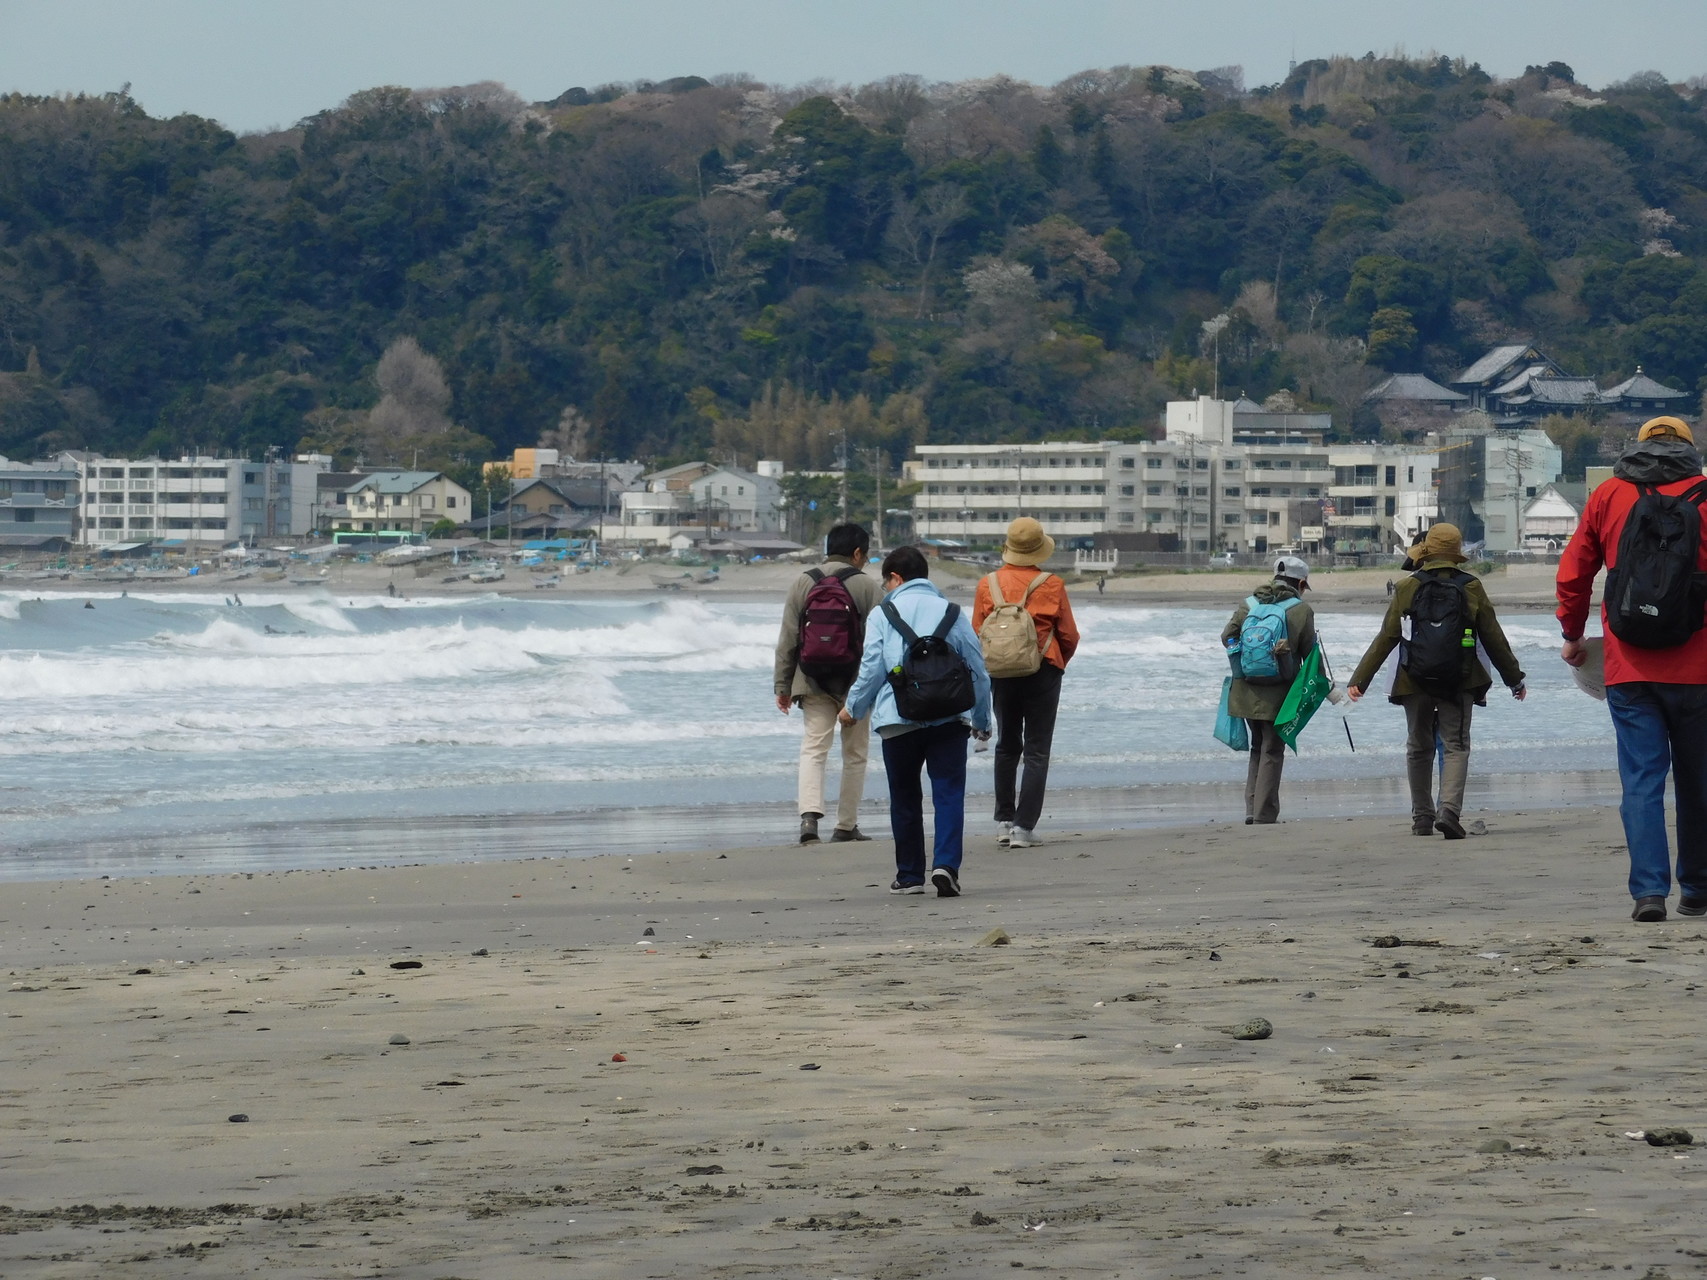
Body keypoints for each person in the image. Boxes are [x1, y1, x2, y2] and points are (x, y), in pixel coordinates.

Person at [1557, 416, 1707, 922]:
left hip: (1629, 664)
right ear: (1689, 448)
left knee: (1642, 779)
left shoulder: (1609, 494)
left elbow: (1574, 573)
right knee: (1699, 780)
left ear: (1639, 446)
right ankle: (1697, 889)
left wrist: (1572, 634)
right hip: (1700, 666)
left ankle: (1648, 893)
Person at [1347, 523, 1526, 839]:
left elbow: (1387, 637)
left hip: (1413, 680)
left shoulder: (1407, 586)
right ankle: (1449, 811)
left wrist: (1360, 680)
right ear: (1457, 552)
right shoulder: (1471, 586)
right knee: (1455, 745)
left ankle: (1422, 817)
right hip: (1459, 680)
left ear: (1426, 551)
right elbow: (1493, 638)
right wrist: (1514, 680)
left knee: (1418, 747)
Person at [840, 545, 993, 896]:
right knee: (949, 793)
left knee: (905, 796)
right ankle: (946, 866)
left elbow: (872, 669)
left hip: (898, 719)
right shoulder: (952, 612)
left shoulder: (883, 613)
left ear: (895, 577)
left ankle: (909, 876)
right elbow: (978, 670)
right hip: (949, 718)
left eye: (886, 582)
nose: (886, 589)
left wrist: (853, 708)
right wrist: (982, 719)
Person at [971, 517, 1080, 848]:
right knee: (1037, 749)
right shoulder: (1052, 584)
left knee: (1006, 745)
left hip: (1001, 671)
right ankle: (1024, 827)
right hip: (1043, 669)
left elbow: (978, 632)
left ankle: (1004, 822)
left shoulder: (987, 584)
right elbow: (1069, 636)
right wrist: (1055, 663)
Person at [774, 523, 884, 845]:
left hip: (811, 679)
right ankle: (845, 826)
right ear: (857, 553)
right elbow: (879, 642)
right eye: (866, 555)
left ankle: (809, 818)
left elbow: (788, 639)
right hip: (855, 683)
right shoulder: (868, 586)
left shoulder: (803, 582)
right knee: (855, 754)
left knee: (814, 748)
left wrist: (783, 686)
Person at [1221, 555, 1318, 825]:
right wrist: (1324, 689)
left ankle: (1252, 809)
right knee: (1273, 750)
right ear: (1301, 584)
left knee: (1257, 747)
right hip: (1281, 693)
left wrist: (1242, 667)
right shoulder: (1301, 610)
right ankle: (1264, 813)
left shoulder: (1249, 604)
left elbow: (1227, 636)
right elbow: (1311, 657)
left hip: (1246, 691)